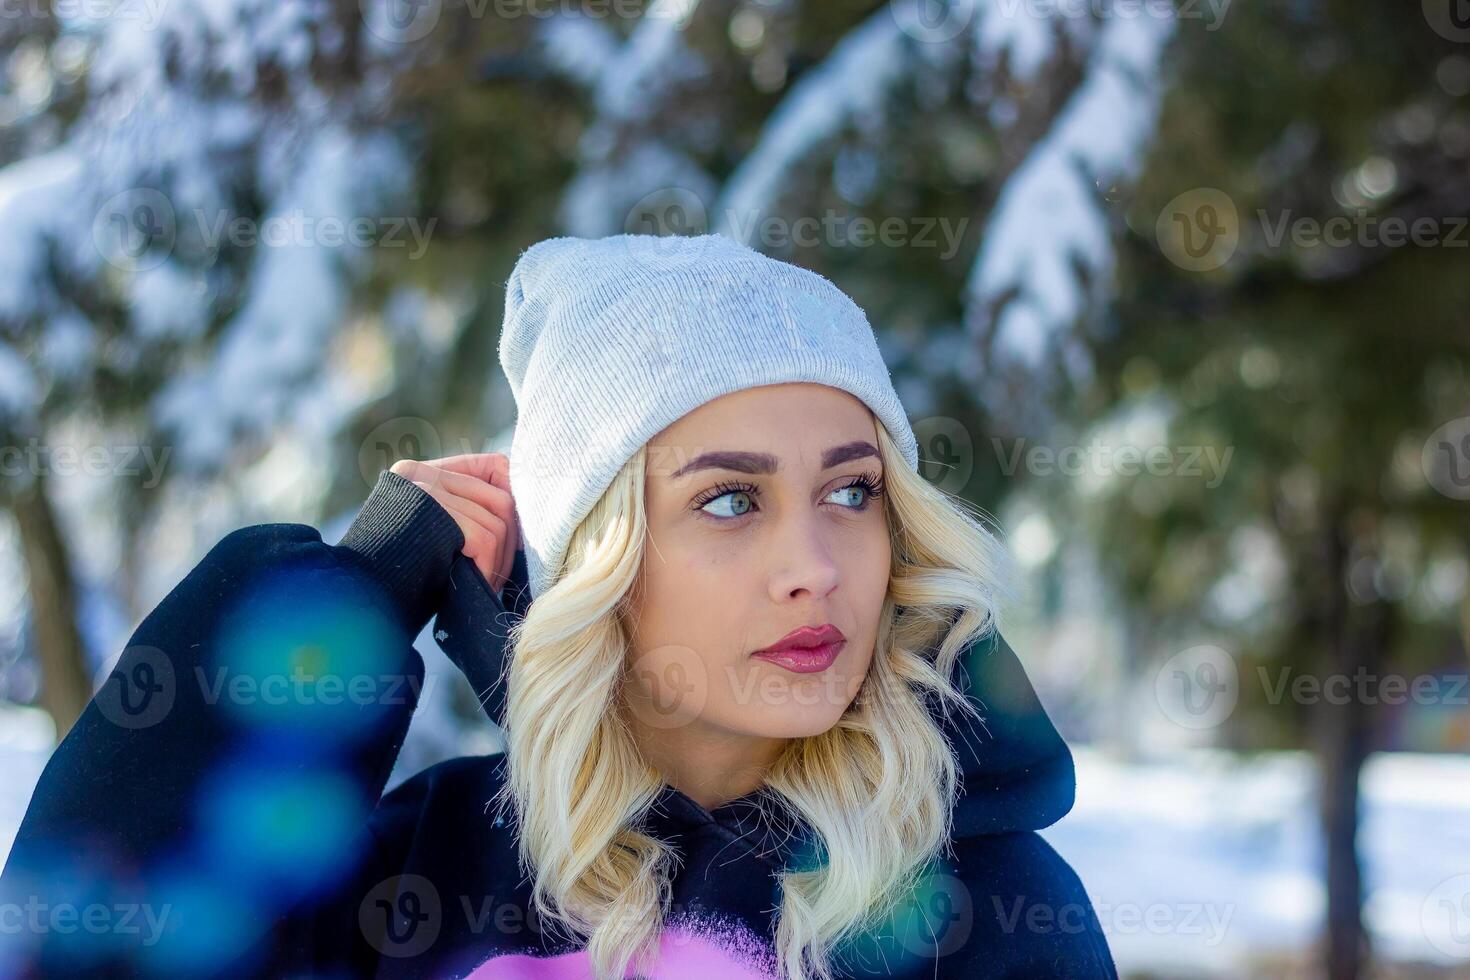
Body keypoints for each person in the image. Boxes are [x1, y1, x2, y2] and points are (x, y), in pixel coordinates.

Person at [0, 234, 1114, 979]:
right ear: (595, 557)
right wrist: (340, 600)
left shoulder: (986, 904)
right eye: (729, 498)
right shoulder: (423, 870)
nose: (815, 565)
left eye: (851, 490)